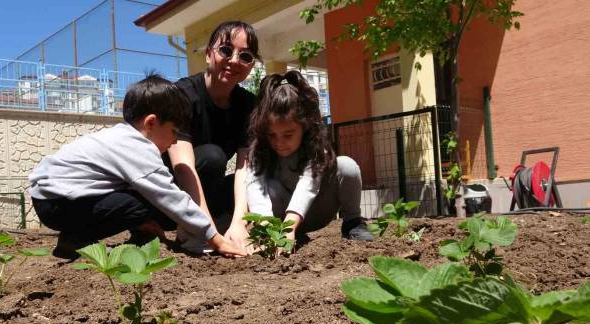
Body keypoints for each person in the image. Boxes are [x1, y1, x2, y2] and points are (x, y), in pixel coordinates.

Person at [28, 74, 246, 260]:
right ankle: (77, 239)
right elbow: (171, 198)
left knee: (140, 199)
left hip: (52, 198)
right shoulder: (137, 148)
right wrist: (216, 239)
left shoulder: (120, 136)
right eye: (173, 132)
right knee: (146, 202)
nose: (174, 141)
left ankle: (78, 237)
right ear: (151, 123)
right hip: (58, 203)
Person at [245, 70, 374, 247]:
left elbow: (308, 186)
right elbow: (256, 190)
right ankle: (290, 233)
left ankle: (352, 222)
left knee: (346, 166)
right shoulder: (259, 150)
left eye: (288, 135)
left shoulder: (318, 147)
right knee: (267, 186)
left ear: (304, 126)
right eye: (272, 135)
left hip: (317, 211)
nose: (279, 143)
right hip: (279, 216)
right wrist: (268, 229)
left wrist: (289, 228)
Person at [168, 20, 259, 252]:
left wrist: (240, 221)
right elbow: (181, 167)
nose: (234, 60)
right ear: (209, 54)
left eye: (245, 56)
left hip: (207, 193)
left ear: (251, 66)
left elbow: (243, 168)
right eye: (226, 50)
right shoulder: (182, 95)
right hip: (169, 194)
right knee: (212, 156)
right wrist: (208, 232)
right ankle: (190, 229)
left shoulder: (248, 104)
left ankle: (221, 226)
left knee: (250, 186)